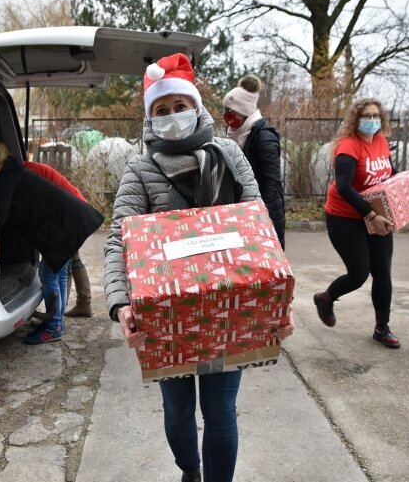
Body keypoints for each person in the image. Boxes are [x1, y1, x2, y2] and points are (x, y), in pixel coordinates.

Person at [103, 53, 295, 482]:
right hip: (166, 314)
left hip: (230, 308)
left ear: (197, 106)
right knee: (177, 410)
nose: (173, 116)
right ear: (151, 118)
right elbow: (119, 239)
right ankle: (190, 468)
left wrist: (280, 303)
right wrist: (120, 305)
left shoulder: (229, 155)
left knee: (221, 410)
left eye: (180, 106)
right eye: (162, 110)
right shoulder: (140, 168)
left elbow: (257, 228)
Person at [0, 143, 103, 344]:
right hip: (67, 219)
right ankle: (57, 322)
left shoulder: (2, 178)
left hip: (63, 223)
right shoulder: (12, 171)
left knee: (48, 275)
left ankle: (53, 326)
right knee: (60, 272)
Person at [312, 98, 401, 349]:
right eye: (366, 116)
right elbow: (344, 186)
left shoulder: (382, 142)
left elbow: (389, 175)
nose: (372, 120)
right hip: (345, 216)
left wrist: (403, 199)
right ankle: (325, 298)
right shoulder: (349, 146)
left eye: (376, 116)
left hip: (376, 214)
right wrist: (371, 215)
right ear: (356, 119)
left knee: (383, 271)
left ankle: (382, 327)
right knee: (359, 273)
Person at [22, 160, 93, 318]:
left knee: (62, 262)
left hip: (73, 212)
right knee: (72, 260)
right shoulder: (30, 167)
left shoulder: (28, 172)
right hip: (76, 208)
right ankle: (82, 304)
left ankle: (59, 314)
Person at [222, 75, 286, 249]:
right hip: (245, 209)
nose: (227, 116)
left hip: (263, 213)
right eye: (226, 110)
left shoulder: (264, 138)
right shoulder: (237, 134)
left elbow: (271, 183)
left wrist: (263, 219)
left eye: (231, 111)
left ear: (244, 111)